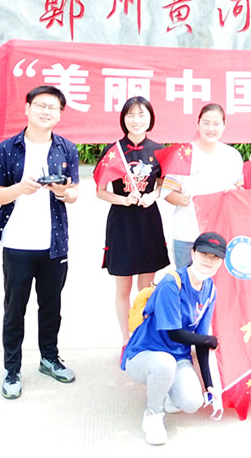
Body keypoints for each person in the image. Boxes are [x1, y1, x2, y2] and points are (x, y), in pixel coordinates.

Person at [0, 85, 80, 400]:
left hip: (54, 244)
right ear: (27, 108)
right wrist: (19, 189)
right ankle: (12, 369)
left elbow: (75, 193)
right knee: (15, 310)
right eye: (40, 105)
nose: (46, 111)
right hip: (17, 243)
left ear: (60, 114)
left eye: (52, 107)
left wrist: (62, 192)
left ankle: (49, 359)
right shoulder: (6, 149)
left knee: (51, 307)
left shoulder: (67, 148)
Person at [121, 232, 227, 445]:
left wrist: (209, 385)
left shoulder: (210, 290)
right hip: (145, 354)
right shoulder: (172, 283)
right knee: (164, 364)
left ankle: (166, 390)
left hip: (178, 358)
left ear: (221, 262)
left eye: (215, 257)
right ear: (193, 253)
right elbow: (175, 333)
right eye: (204, 254)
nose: (208, 261)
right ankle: (153, 414)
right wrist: (207, 340)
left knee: (192, 402)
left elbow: (200, 340)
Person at [97, 96, 170, 344]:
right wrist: (123, 200)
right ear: (123, 119)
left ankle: (144, 337)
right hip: (122, 223)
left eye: (142, 115)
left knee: (147, 288)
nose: (136, 120)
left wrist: (153, 196)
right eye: (131, 115)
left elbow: (162, 185)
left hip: (148, 222)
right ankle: (126, 340)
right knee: (123, 289)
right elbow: (100, 190)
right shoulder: (114, 150)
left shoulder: (159, 150)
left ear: (150, 118)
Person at [161, 104, 243, 268]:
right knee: (186, 279)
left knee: (219, 281)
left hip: (221, 234)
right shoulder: (183, 154)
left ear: (224, 125)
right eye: (206, 123)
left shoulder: (232, 156)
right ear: (198, 123)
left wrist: (234, 193)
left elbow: (241, 191)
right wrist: (181, 199)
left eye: (216, 123)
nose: (211, 129)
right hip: (187, 234)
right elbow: (167, 192)